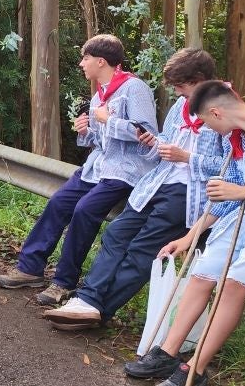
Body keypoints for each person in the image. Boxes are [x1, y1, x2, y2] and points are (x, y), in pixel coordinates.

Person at [124, 80, 245, 386]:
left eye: (206, 123)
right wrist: (189, 237)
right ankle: (167, 352)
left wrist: (242, 192)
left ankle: (195, 369)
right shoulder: (238, 139)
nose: (210, 132)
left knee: (233, 284)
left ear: (216, 113)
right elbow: (225, 196)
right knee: (202, 272)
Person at [43, 48, 224, 330]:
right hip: (156, 183)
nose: (177, 93)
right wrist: (154, 142)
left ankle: (99, 310)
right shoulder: (181, 106)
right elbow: (166, 141)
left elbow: (231, 167)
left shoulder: (224, 108)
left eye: (181, 86)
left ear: (200, 79)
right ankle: (87, 301)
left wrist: (188, 158)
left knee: (142, 249)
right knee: (116, 233)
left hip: (189, 193)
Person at [0, 34, 158, 306]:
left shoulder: (134, 88)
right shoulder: (99, 95)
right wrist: (86, 131)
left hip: (125, 170)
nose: (82, 64)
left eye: (85, 58)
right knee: (59, 202)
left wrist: (111, 120)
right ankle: (30, 268)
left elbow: (147, 133)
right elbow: (99, 140)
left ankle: (63, 282)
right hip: (97, 167)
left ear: (101, 61)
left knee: (84, 210)